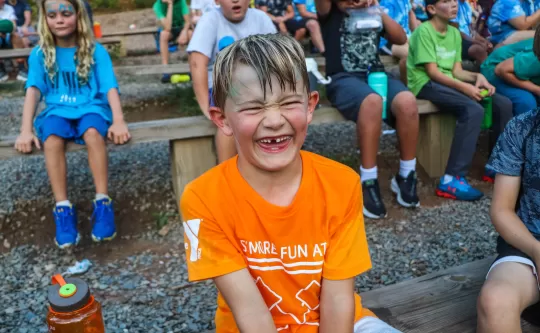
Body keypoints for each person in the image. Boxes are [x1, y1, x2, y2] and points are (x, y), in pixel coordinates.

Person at [181, 33, 402, 333]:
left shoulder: (342, 183)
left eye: (287, 102)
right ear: (222, 120)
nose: (274, 120)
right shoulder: (201, 198)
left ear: (310, 105)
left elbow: (337, 299)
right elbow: (251, 314)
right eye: (253, 108)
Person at [13, 0, 130, 249]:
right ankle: (63, 209)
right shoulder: (40, 54)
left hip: (91, 107)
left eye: (66, 13)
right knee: (52, 138)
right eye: (52, 15)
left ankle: (102, 201)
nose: (59, 20)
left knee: (92, 132)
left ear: (78, 15)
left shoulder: (95, 51)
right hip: (58, 109)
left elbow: (110, 86)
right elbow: (33, 90)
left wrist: (118, 120)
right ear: (45, 19)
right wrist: (25, 130)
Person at [317, 0, 421, 219]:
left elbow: (401, 38)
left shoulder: (374, 11)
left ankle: (407, 175)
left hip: (376, 76)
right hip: (342, 79)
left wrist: (376, 9)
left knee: (407, 102)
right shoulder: (329, 11)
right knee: (372, 102)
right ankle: (368, 180)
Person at [407, 0, 513, 200]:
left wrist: (476, 78)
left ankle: (495, 166)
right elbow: (433, 73)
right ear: (431, 9)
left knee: (503, 104)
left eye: (454, 1)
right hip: (425, 83)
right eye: (446, 1)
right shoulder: (424, 32)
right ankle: (451, 179)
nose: (454, 5)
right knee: (473, 109)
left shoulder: (454, 33)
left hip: (448, 81)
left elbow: (456, 71)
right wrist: (466, 88)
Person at [187, 0, 276, 163]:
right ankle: (227, 174)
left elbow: (275, 59)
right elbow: (196, 62)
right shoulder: (210, 19)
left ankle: (273, 170)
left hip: (258, 87)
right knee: (229, 121)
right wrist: (204, 105)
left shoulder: (261, 18)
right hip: (223, 87)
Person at [475, 109, 540, 332]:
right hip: (528, 242)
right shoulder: (522, 127)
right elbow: (502, 210)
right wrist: (536, 249)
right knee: (495, 300)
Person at [481, 36, 540, 117]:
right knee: (526, 102)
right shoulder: (535, 60)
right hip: (495, 68)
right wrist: (536, 89)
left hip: (522, 71)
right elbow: (501, 69)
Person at [154, 0, 192, 82]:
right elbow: (167, 27)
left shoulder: (181, 1)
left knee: (190, 33)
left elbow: (188, 21)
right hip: (170, 30)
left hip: (182, 28)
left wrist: (184, 32)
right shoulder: (157, 5)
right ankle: (165, 69)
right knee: (163, 34)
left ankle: (193, 66)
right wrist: (170, 5)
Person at [451, 0, 491, 65]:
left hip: (468, 39)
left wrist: (483, 40)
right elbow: (456, 32)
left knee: (488, 45)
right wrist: (475, 41)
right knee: (478, 49)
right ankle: (487, 71)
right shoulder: (454, 5)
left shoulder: (467, 5)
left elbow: (472, 30)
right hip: (459, 39)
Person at [0, 0, 26, 81]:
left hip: (9, 35)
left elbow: (13, 24)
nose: (2, 3)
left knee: (16, 36)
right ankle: (1, 71)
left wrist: (9, 30)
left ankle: (22, 69)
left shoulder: (9, 8)